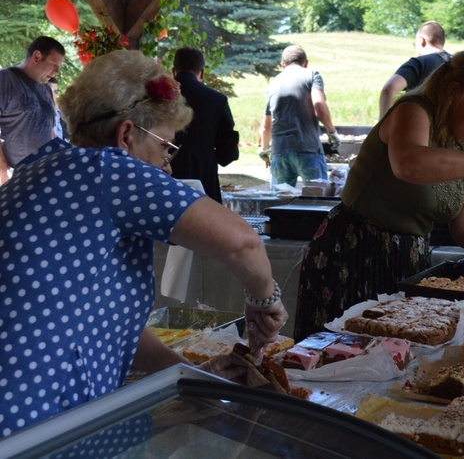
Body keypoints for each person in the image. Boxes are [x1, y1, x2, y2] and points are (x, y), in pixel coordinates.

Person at [0, 50, 288, 437]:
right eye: (166, 147)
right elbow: (243, 244)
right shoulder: (105, 168)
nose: (168, 166)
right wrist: (263, 299)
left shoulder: (44, 167)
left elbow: (110, 323)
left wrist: (190, 375)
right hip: (34, 420)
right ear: (126, 135)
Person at [294, 47, 464, 340]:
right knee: (336, 357)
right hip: (352, 256)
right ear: (453, 91)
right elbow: (409, 164)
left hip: (408, 264)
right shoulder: (413, 109)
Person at [260, 45, 339, 187]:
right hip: (308, 150)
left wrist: (264, 149)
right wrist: (332, 132)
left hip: (280, 153)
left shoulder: (273, 83)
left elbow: (266, 127)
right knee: (317, 202)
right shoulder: (311, 75)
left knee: (279, 204)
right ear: (306, 63)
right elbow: (320, 106)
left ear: (283, 65)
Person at [170, 47, 240, 203]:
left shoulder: (158, 98)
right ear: (202, 72)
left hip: (166, 174)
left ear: (173, 71)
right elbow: (227, 150)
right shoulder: (217, 100)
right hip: (203, 175)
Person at [0, 36, 65, 184]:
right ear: (37, 56)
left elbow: (50, 131)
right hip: (14, 177)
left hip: (44, 174)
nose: (57, 72)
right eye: (54, 64)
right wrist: (3, 172)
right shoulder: (4, 80)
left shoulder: (46, 89)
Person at [379, 21, 452, 118]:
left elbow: (389, 89)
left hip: (418, 128)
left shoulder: (419, 64)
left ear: (422, 41)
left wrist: (381, 126)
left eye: (415, 44)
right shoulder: (457, 64)